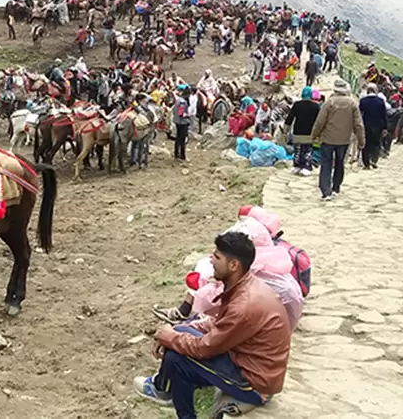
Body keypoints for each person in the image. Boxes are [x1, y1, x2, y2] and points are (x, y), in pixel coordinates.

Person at [135, 232, 291, 419]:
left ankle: (167, 393)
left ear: (234, 265)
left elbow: (205, 348)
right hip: (245, 360)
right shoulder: (245, 285)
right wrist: (175, 332)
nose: (211, 260)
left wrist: (169, 338)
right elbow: (220, 324)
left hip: (255, 383)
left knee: (176, 358)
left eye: (217, 257)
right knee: (180, 332)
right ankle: (163, 388)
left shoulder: (244, 304)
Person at [311, 78, 364, 200]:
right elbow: (359, 124)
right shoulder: (352, 103)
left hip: (328, 139)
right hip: (344, 140)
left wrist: (314, 135)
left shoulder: (329, 103)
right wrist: (361, 140)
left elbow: (320, 122)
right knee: (340, 164)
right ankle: (336, 188)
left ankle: (326, 190)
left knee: (326, 164)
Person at [284, 87, 321, 175]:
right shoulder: (316, 106)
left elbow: (290, 118)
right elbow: (319, 121)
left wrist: (286, 130)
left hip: (298, 132)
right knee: (308, 149)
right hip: (310, 133)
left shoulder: (297, 105)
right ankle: (306, 167)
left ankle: (297, 166)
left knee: (298, 149)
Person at [358, 83, 388, 169]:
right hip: (378, 125)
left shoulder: (363, 101)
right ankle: (374, 159)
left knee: (366, 144)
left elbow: (359, 114)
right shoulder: (380, 101)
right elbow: (384, 115)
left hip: (366, 124)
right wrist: (385, 127)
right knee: (376, 143)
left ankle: (366, 163)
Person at [172, 84, 192, 161]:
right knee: (182, 139)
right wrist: (188, 114)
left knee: (178, 139)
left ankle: (176, 154)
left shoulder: (178, 100)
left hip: (177, 121)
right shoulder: (183, 102)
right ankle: (182, 155)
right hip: (183, 122)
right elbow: (181, 113)